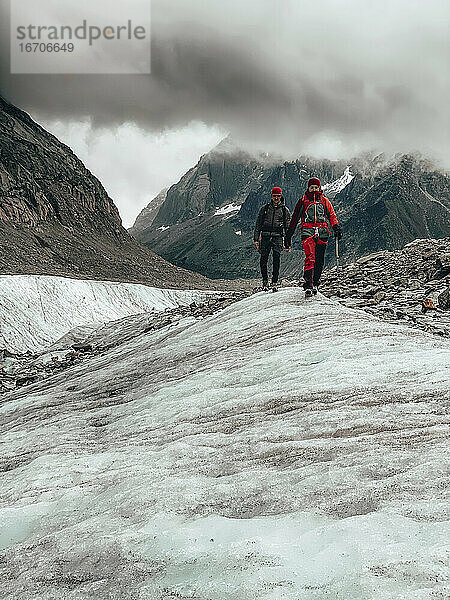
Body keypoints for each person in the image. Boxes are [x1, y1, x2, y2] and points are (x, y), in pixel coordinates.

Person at [285, 177, 342, 298]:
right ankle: (309, 285)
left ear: (319, 188)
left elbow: (331, 215)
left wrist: (336, 227)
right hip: (308, 232)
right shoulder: (303, 201)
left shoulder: (325, 201)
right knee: (310, 257)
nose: (314, 189)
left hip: (322, 232)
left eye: (316, 187)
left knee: (320, 259)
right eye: (312, 187)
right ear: (308, 188)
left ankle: (316, 283)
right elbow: (295, 218)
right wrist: (289, 234)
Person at [254, 186, 292, 291]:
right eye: (274, 196)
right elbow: (258, 224)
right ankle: (265, 281)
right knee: (263, 260)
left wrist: (287, 243)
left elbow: (287, 228)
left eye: (278, 196)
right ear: (271, 196)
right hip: (265, 237)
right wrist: (256, 239)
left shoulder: (284, 210)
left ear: (281, 196)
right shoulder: (265, 209)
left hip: (277, 237)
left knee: (276, 260)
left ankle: (274, 282)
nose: (276, 198)